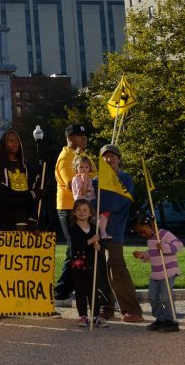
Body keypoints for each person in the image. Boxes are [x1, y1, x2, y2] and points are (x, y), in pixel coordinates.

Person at [92, 144, 144, 323]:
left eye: (112, 156)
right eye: (105, 157)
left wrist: (99, 199)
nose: (109, 159)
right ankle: (106, 308)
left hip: (114, 232)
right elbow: (85, 203)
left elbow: (113, 204)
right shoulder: (95, 181)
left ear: (119, 159)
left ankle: (132, 309)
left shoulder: (125, 178)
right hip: (96, 232)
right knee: (100, 271)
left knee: (117, 269)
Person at [131, 214, 182, 332]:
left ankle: (171, 321)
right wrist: (143, 255)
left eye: (142, 231)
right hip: (156, 273)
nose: (142, 235)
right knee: (152, 297)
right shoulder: (150, 240)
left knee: (165, 297)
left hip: (168, 271)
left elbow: (179, 245)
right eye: (139, 233)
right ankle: (160, 319)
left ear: (149, 225)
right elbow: (153, 253)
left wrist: (165, 247)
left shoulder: (164, 234)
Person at [53, 123, 87, 302]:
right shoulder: (66, 157)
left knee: (74, 249)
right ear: (70, 138)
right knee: (74, 248)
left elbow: (95, 177)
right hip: (68, 208)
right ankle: (61, 290)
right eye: (80, 135)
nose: (84, 138)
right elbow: (71, 183)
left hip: (80, 208)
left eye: (84, 135)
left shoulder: (82, 156)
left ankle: (64, 289)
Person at [68, 198, 110, 328]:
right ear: (74, 213)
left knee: (93, 290)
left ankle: (96, 315)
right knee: (80, 290)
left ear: (90, 213)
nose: (82, 212)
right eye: (78, 210)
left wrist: (99, 247)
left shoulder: (94, 228)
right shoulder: (73, 229)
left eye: (85, 210)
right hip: (78, 264)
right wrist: (91, 240)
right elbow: (76, 246)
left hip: (92, 263)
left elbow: (101, 245)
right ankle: (83, 316)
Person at [0, 129, 39, 230]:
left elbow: (38, 193)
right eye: (10, 141)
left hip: (26, 221)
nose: (15, 144)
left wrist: (33, 218)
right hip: (4, 222)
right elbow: (1, 195)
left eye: (16, 140)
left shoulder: (29, 168)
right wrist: (28, 196)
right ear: (3, 144)